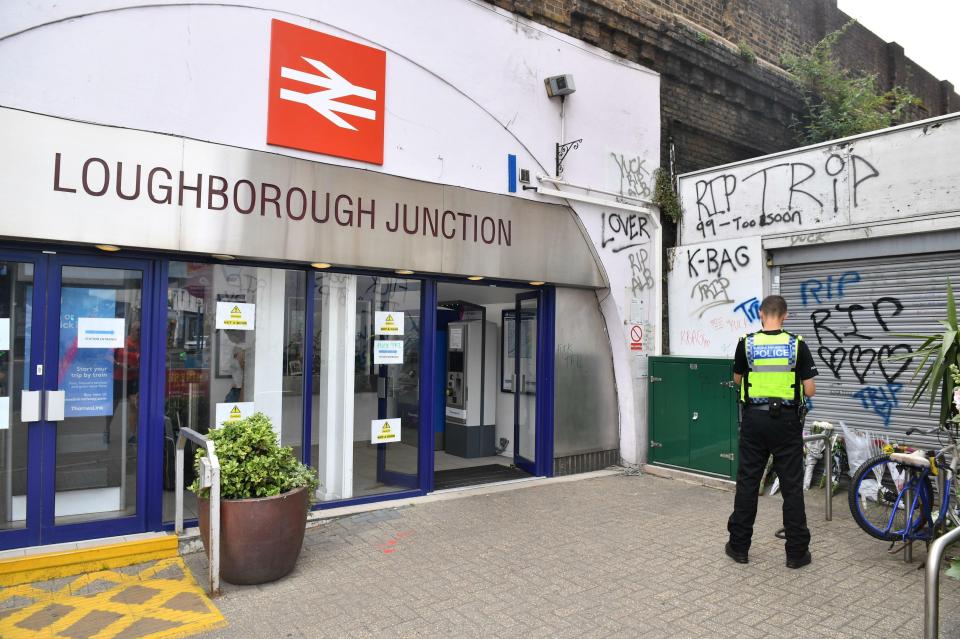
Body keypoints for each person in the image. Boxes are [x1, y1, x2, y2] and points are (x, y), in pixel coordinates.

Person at [725, 295, 818, 569]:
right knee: (791, 487)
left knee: (748, 484)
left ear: (760, 314)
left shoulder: (747, 343)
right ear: (785, 315)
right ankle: (797, 554)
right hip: (787, 422)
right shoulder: (797, 345)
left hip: (754, 419)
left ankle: (739, 547)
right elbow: (810, 389)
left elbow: (737, 379)